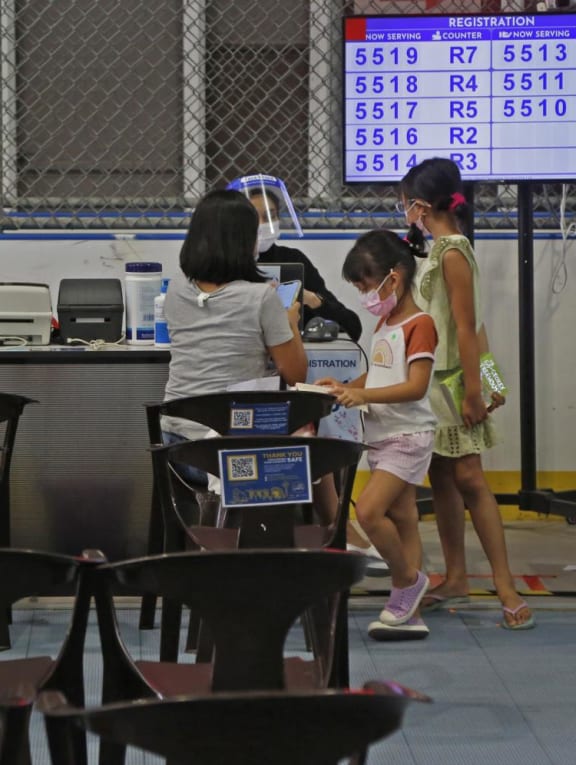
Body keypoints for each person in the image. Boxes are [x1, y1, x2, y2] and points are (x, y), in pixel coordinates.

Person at [399, 157, 535, 630]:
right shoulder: (433, 252)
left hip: (456, 387)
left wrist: (482, 390)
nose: (403, 214)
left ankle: (505, 586)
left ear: (419, 206)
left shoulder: (454, 252)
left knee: (472, 480)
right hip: (431, 389)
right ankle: (456, 577)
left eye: (404, 205)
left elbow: (467, 326)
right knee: (441, 482)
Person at [317, 229, 437, 640]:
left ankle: (407, 580)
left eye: (367, 285)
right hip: (383, 434)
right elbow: (384, 374)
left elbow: (416, 387)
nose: (365, 295)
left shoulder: (420, 324)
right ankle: (410, 612)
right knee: (404, 517)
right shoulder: (386, 322)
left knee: (368, 511)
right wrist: (346, 386)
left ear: (395, 277)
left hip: (408, 435)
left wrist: (362, 393)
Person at [162, 189, 308, 468]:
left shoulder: (176, 288)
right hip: (230, 448)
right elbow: (296, 374)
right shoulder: (261, 298)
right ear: (242, 242)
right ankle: (325, 514)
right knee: (308, 437)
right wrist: (289, 321)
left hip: (174, 443)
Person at [227, 175, 362, 342]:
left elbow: (352, 326)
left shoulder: (294, 260)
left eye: (271, 216)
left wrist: (312, 300)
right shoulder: (225, 265)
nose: (264, 224)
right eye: (254, 217)